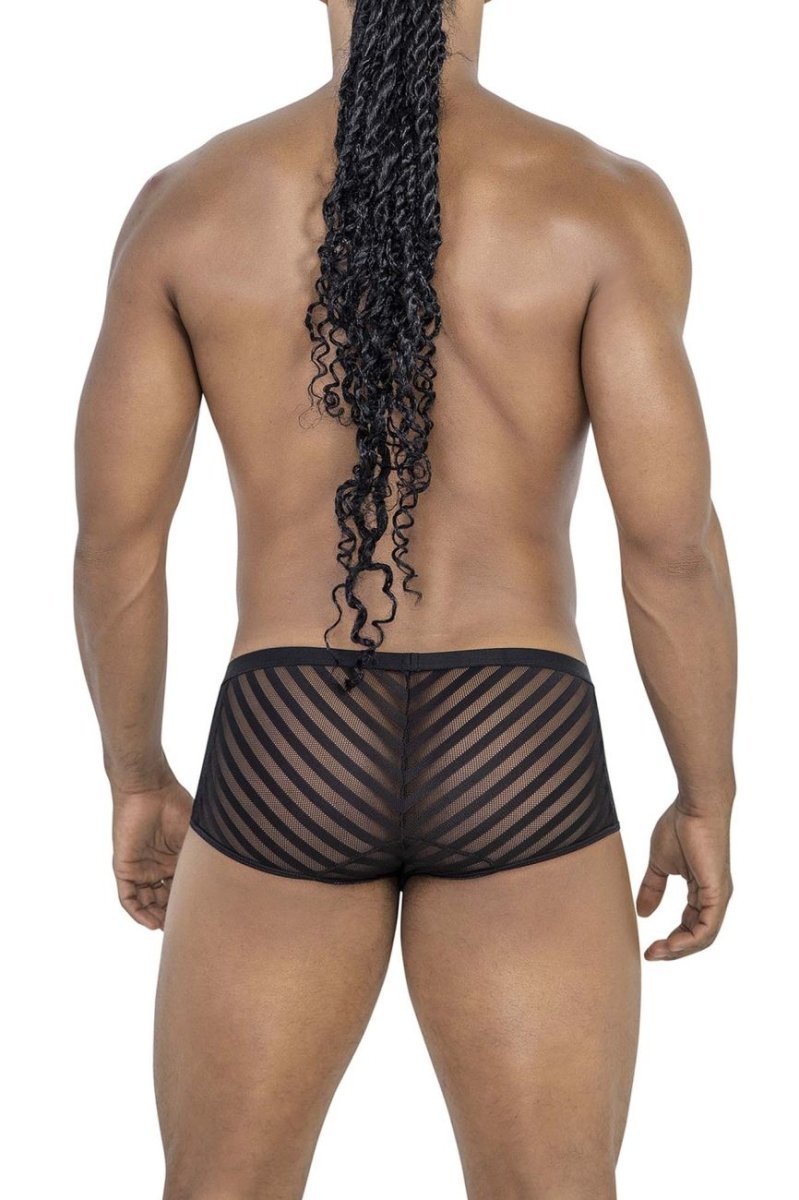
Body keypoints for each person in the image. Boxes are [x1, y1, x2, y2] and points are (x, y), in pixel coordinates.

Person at [73, 0, 737, 1195]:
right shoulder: (601, 203)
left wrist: (135, 773)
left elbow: (120, 545)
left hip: (289, 733)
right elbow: (669, 545)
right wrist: (705, 791)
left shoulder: (188, 206)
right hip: (518, 733)